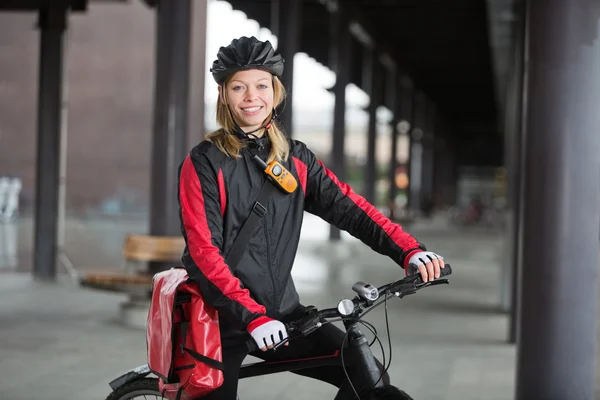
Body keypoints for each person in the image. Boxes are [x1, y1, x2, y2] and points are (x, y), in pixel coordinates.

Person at [177, 36, 447, 400]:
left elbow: (350, 208)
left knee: (364, 373)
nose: (251, 96)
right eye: (238, 87)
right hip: (221, 319)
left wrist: (409, 251)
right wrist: (252, 315)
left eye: (261, 85)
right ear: (224, 95)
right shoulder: (205, 163)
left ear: (275, 92)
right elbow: (203, 253)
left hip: (284, 314)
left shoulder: (296, 160)